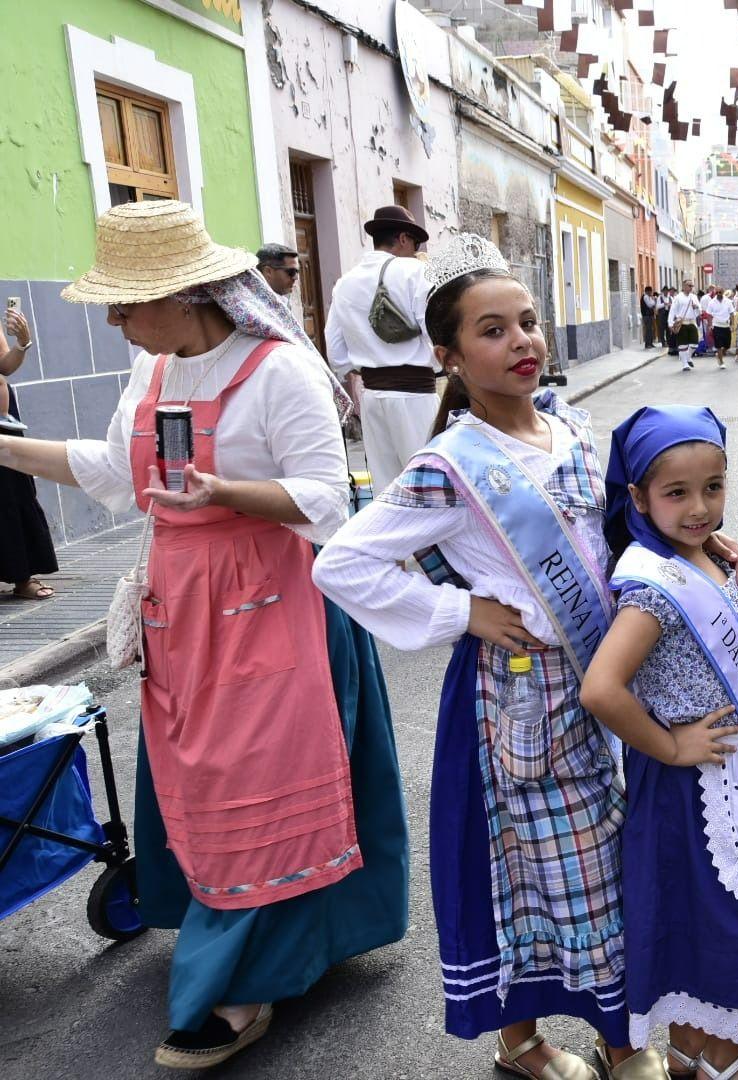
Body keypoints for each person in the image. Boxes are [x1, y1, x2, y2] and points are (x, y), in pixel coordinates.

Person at [0, 199, 408, 1068]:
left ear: (186, 294)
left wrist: (222, 493)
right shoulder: (153, 375)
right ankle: (253, 931)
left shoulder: (277, 373)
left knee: (257, 784)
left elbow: (327, 500)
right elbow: (115, 473)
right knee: (202, 780)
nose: (113, 320)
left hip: (272, 603)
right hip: (180, 609)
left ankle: (244, 981)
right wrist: (5, 447)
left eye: (127, 302)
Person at [313, 233, 676, 1080]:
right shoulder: (449, 465)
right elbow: (342, 562)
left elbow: (613, 537)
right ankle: (566, 1043)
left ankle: (603, 1032)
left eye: (528, 322)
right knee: (533, 865)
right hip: (520, 700)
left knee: (600, 861)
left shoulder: (576, 432)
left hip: (605, 681)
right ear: (448, 355)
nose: (521, 342)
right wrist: (461, 610)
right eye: (492, 331)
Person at [580, 405, 738, 1080]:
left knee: (700, 916)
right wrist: (670, 747)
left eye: (714, 487)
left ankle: (689, 1052)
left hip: (719, 775)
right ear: (639, 498)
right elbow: (602, 689)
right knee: (720, 920)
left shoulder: (701, 556)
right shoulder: (654, 591)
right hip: (688, 784)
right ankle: (726, 1060)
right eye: (677, 493)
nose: (700, 507)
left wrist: (712, 552)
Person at [325, 205, 437, 492]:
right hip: (416, 397)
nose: (415, 250)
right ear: (402, 239)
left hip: (372, 397)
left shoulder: (345, 283)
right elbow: (435, 333)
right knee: (431, 486)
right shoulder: (415, 271)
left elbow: (336, 353)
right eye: (414, 243)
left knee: (389, 492)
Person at [1, 307, 59, 600]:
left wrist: (22, 343)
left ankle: (23, 576)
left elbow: (4, 366)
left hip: (2, 419)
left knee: (13, 491)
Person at [669, 281, 702, 371]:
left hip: (691, 321)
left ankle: (687, 357)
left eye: (692, 286)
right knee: (682, 345)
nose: (691, 287)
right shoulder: (678, 297)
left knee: (695, 343)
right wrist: (670, 323)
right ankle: (685, 364)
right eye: (689, 285)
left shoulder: (694, 297)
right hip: (681, 322)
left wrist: (696, 307)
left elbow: (700, 309)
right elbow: (672, 310)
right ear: (684, 286)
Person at [709, 289, 734, 368]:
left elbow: (731, 313)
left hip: (726, 325)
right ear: (715, 293)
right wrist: (710, 325)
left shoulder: (728, 301)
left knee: (727, 345)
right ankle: (721, 362)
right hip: (716, 325)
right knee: (718, 345)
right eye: (717, 292)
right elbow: (709, 315)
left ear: (723, 292)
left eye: (720, 292)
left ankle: (719, 355)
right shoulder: (712, 302)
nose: (719, 294)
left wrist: (732, 324)